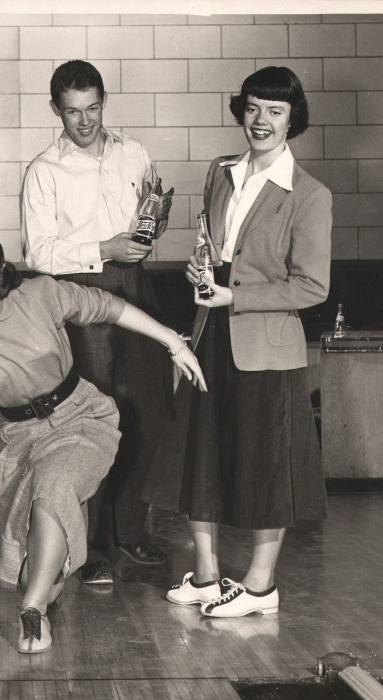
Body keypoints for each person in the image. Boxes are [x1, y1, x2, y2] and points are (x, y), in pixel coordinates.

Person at [0, 222, 205, 654]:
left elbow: (106, 305)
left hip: (81, 418)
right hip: (18, 442)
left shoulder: (38, 295)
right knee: (35, 569)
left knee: (53, 489)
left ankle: (31, 614)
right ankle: (41, 588)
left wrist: (172, 341)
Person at [165, 66, 331, 618]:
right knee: (201, 454)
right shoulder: (219, 171)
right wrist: (200, 269)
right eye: (254, 108)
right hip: (211, 331)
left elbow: (312, 286)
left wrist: (235, 297)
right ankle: (209, 577)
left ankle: (260, 587)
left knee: (265, 464)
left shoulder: (309, 194)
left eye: (275, 112)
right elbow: (213, 246)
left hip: (265, 346)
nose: (261, 121)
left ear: (292, 120)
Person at [21, 59, 175, 586]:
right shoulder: (43, 170)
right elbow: (38, 254)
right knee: (95, 418)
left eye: (92, 109)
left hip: (138, 285)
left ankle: (130, 529)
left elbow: (148, 213)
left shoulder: (133, 151)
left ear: (103, 102)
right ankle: (91, 546)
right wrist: (103, 248)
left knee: (148, 411)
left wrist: (149, 229)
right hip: (81, 295)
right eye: (71, 112)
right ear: (55, 110)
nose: (84, 122)